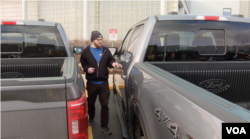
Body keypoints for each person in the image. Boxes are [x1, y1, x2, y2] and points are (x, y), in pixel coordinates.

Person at [80, 31, 122, 135]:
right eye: (98, 39)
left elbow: (110, 61)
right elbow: (83, 63)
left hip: (103, 83)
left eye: (101, 39)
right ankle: (91, 118)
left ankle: (104, 125)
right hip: (92, 83)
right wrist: (87, 69)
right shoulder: (86, 51)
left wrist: (114, 64)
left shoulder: (106, 50)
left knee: (105, 105)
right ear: (93, 40)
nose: (100, 41)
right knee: (91, 103)